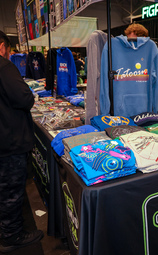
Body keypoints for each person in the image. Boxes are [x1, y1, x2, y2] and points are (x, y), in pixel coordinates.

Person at [0, 30, 44, 253]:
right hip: (10, 141)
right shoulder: (4, 66)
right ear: (2, 47)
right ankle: (12, 235)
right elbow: (24, 97)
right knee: (11, 191)